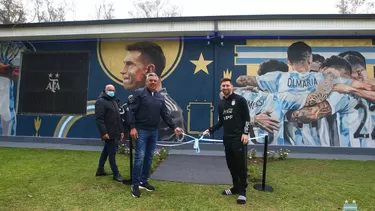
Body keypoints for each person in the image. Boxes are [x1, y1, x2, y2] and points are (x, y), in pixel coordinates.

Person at [128, 73, 183, 198]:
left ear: (158, 82)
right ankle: (135, 185)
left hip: (153, 131)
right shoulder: (139, 93)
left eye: (155, 81)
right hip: (141, 130)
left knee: (149, 157)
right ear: (146, 81)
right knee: (140, 157)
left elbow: (165, 114)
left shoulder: (159, 97)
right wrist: (132, 127)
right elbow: (131, 111)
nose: (153, 82)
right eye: (151, 80)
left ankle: (144, 181)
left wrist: (174, 127)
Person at [120, 41, 186, 142]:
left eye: (129, 64)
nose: (122, 70)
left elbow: (169, 150)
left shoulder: (172, 111)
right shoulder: (135, 101)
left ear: (150, 69)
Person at [203, 78, 250, 205]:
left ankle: (242, 192)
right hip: (227, 139)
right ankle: (235, 187)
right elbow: (221, 122)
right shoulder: (221, 104)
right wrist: (210, 130)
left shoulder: (240, 100)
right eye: (223, 86)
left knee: (241, 166)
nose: (225, 87)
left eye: (227, 85)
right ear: (221, 88)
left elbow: (247, 118)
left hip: (239, 139)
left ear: (232, 86)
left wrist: (245, 133)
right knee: (231, 164)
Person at [94, 84, 125, 182]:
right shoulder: (100, 101)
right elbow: (99, 119)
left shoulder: (114, 101)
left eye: (113, 90)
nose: (112, 91)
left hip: (115, 132)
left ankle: (100, 170)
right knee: (112, 152)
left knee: (106, 151)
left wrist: (121, 131)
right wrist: (104, 132)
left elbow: (118, 118)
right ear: (105, 90)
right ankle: (116, 174)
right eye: (110, 90)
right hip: (108, 132)